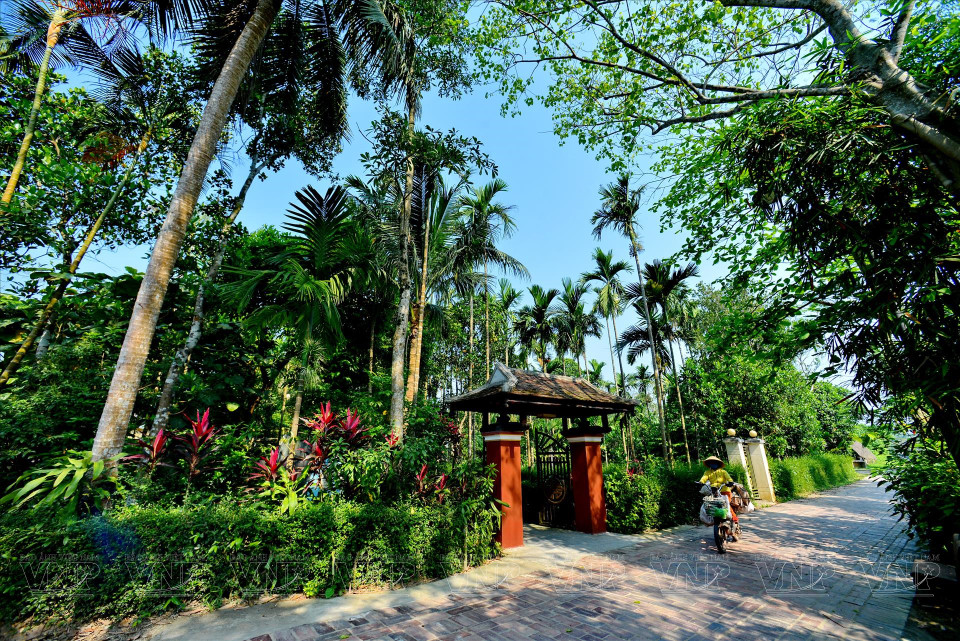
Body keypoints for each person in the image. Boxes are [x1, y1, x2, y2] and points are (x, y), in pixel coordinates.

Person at [699, 456, 739, 523]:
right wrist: (701, 482)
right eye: (711, 463)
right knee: (711, 503)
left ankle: (734, 519)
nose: (713, 464)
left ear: (718, 464)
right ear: (709, 464)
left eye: (714, 463)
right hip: (714, 491)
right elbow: (704, 478)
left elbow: (728, 478)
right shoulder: (707, 472)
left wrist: (730, 482)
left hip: (724, 490)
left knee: (727, 504)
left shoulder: (723, 472)